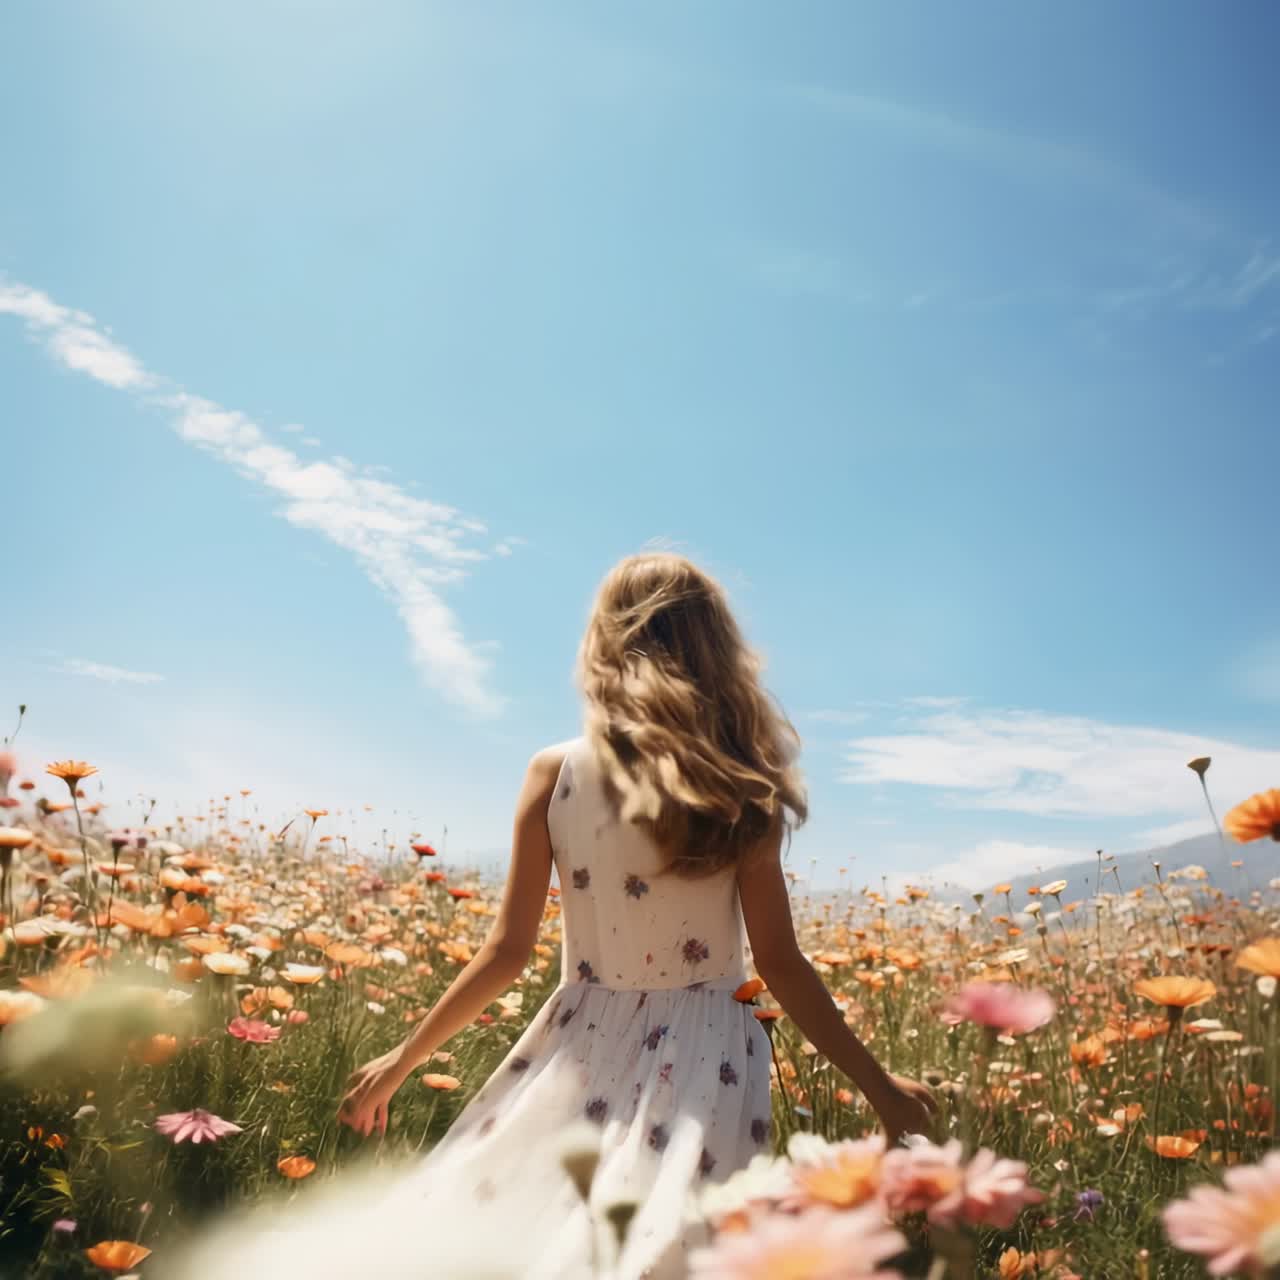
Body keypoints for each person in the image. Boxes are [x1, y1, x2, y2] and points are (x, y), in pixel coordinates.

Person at [338, 552, 936, 1278]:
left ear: (606, 642)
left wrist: (403, 1060)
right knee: (662, 1250)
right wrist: (882, 1089)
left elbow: (507, 952)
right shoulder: (738, 779)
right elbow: (778, 964)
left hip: (579, 1037)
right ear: (716, 647)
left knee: (521, 1231)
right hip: (708, 1051)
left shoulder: (553, 771)